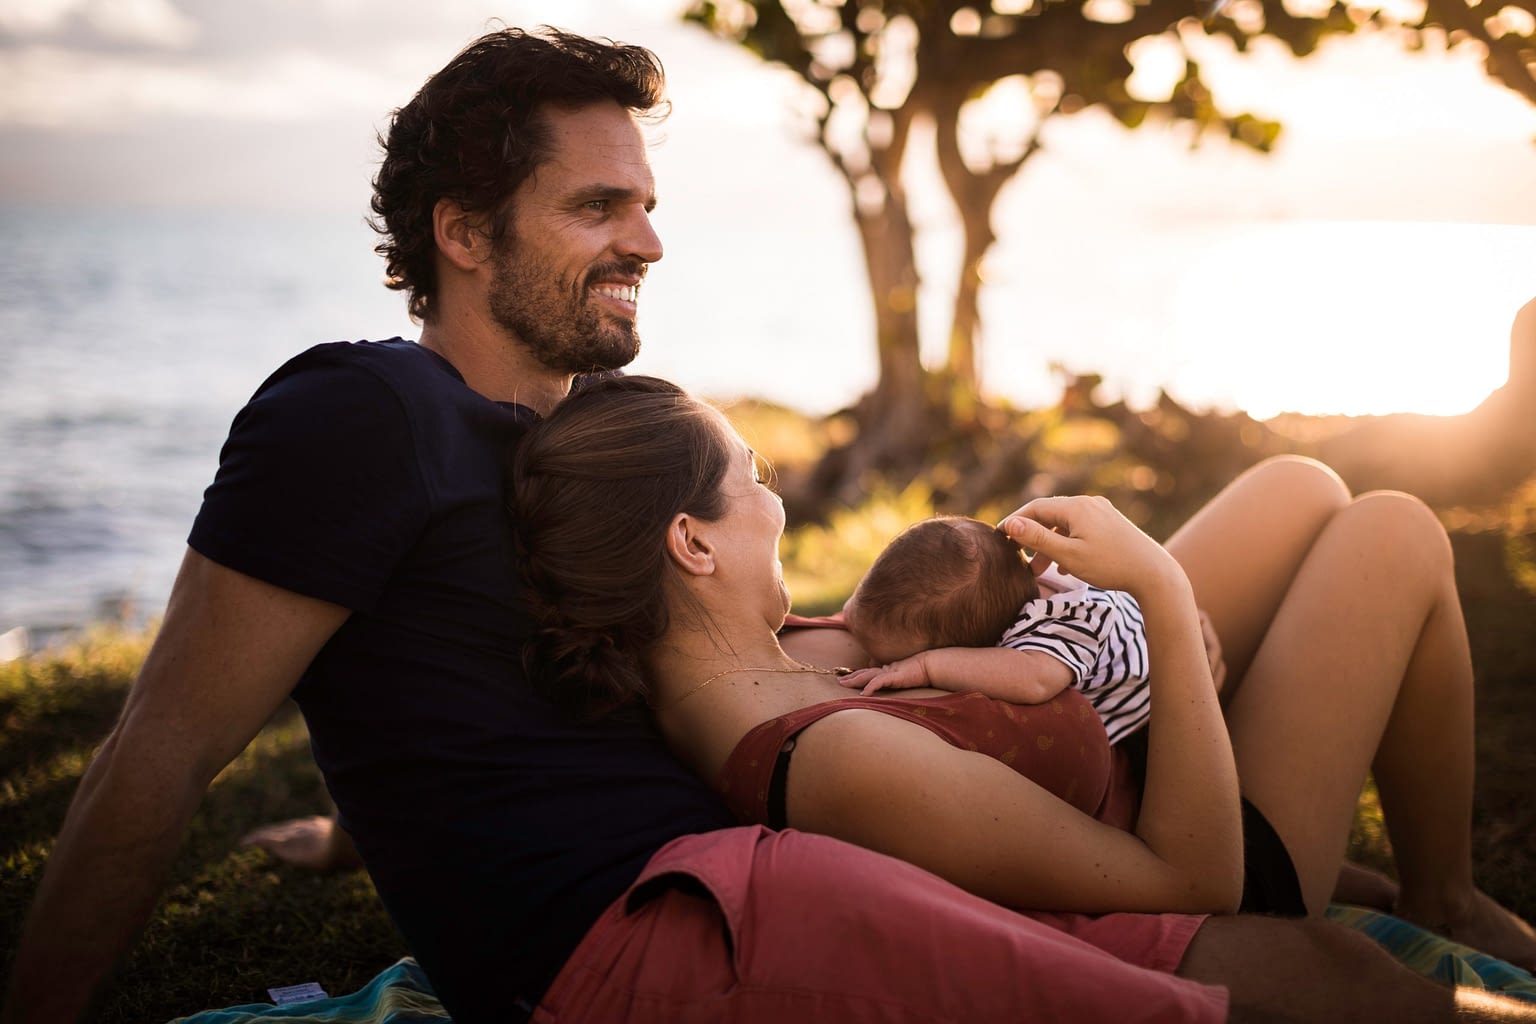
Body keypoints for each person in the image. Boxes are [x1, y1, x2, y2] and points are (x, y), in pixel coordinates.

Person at [4, 23, 1533, 1024]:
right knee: (1358, 614)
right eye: (597, 208)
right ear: (460, 237)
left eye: (646, 202)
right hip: (742, 879)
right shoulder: (362, 414)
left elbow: (500, 706)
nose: (649, 239)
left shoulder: (584, 443)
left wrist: (355, 836)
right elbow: (166, 747)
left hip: (856, 786)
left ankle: (1391, 884)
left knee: (1309, 511)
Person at [509, 373, 1536, 967]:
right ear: (691, 545)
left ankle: (1414, 878)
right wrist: (1166, 617)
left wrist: (1072, 614)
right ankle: (1442, 897)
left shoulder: (766, 653)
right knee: (1392, 531)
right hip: (1214, 862)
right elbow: (1195, 882)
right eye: (756, 481)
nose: (778, 505)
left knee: (1300, 481)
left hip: (1117, 732)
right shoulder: (837, 755)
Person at [835, 514, 1156, 746]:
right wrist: (859, 608)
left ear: (977, 647)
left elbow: (1036, 680)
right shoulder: (1003, 586)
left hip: (1145, 694)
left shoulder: (1066, 624)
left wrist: (924, 667)